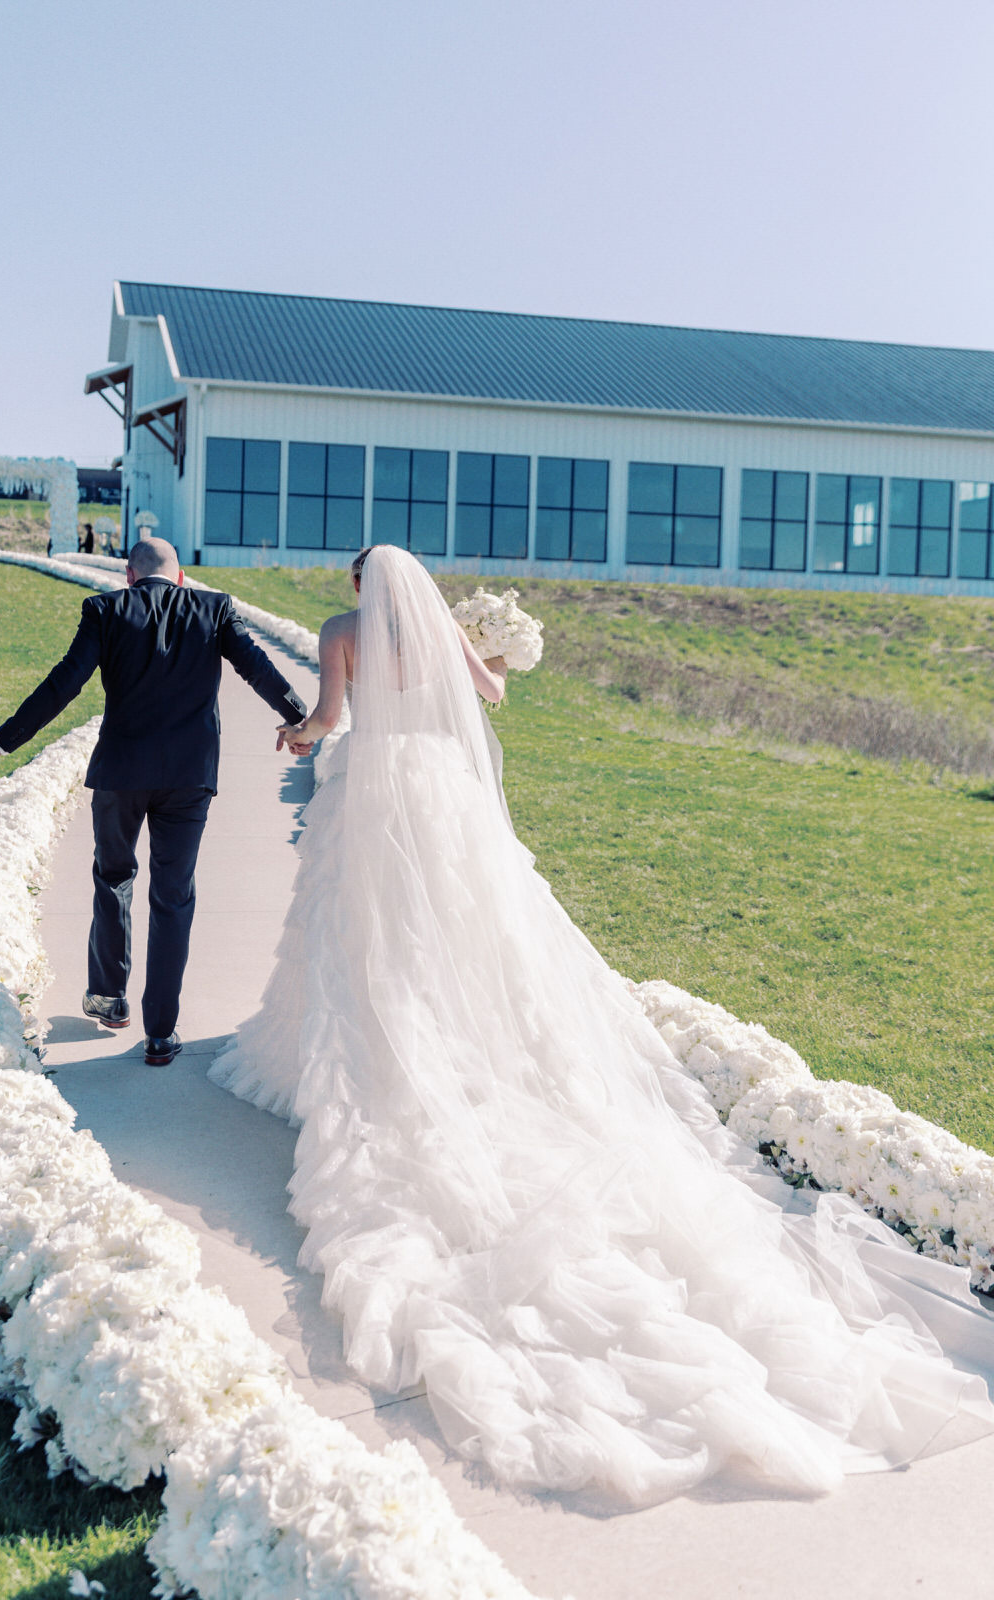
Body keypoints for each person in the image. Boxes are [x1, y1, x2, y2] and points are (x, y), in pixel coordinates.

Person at [210, 543, 994, 1508]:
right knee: (460, 937)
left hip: (372, 787)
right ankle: (467, 1053)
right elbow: (488, 704)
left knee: (366, 939)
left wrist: (301, 735)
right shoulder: (447, 637)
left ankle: (376, 1055)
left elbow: (329, 719)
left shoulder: (341, 635)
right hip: (443, 799)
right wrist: (489, 652)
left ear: (364, 589)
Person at [0, 536, 306, 1065]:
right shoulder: (213, 608)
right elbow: (256, 666)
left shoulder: (104, 610)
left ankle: (108, 997)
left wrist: (4, 738)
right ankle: (161, 1033)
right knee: (173, 897)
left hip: (121, 774)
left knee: (113, 876)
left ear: (128, 575)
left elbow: (64, 683)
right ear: (182, 577)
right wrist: (296, 716)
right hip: (190, 779)